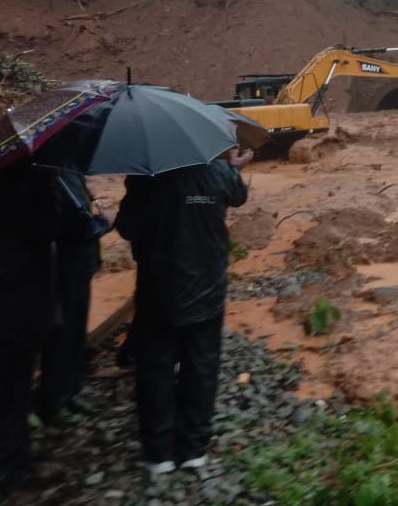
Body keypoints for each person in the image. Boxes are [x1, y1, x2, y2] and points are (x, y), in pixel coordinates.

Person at [114, 147, 252, 481]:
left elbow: (127, 228)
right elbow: (239, 197)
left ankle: (159, 453)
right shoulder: (218, 172)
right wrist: (231, 168)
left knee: (156, 368)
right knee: (202, 368)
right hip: (208, 291)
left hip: (159, 292)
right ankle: (194, 450)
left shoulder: (146, 179)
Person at [0, 160, 59, 495]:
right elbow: (47, 227)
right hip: (15, 305)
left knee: (8, 387)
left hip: (10, 304)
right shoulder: (25, 184)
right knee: (11, 386)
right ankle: (7, 465)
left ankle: (14, 456)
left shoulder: (13, 180)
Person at [36, 171, 108, 425]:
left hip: (80, 263)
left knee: (76, 329)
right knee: (63, 333)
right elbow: (78, 222)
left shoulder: (69, 169)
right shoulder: (57, 173)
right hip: (67, 265)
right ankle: (54, 398)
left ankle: (71, 390)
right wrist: (101, 221)